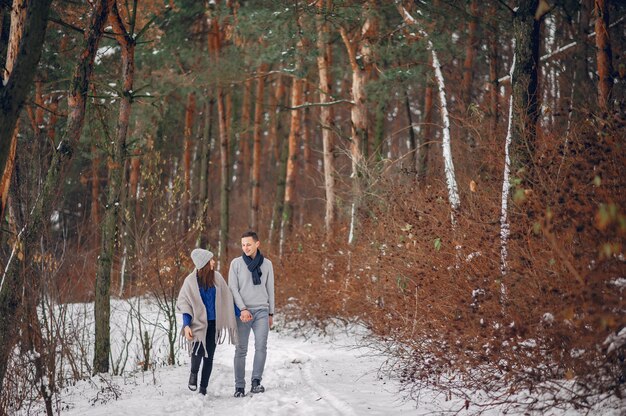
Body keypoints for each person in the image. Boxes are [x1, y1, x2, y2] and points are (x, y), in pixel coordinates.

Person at [177, 248, 239, 395]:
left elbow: (228, 298)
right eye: (211, 259)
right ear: (204, 263)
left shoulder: (217, 277)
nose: (213, 261)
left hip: (213, 324)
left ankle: (203, 388)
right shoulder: (190, 282)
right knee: (197, 352)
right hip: (197, 323)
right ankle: (193, 373)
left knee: (209, 357)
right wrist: (186, 325)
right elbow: (185, 305)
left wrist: (241, 313)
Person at [229, 231, 275, 397]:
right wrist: (242, 309)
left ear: (257, 244)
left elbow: (270, 289)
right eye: (243, 245)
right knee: (241, 350)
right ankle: (239, 386)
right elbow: (233, 288)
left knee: (261, 346)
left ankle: (256, 382)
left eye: (249, 244)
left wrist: (271, 313)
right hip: (243, 313)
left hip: (262, 311)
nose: (245, 247)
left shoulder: (268, 264)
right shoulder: (236, 264)